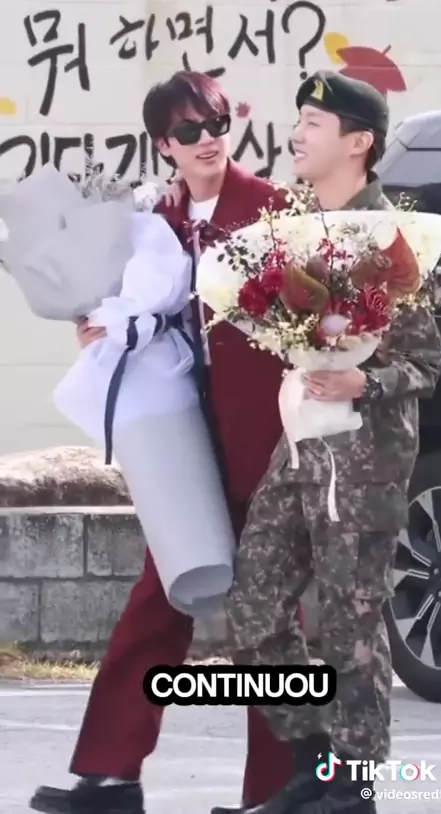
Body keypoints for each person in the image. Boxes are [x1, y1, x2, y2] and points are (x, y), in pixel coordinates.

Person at [29, 71, 300, 814]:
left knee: (271, 616)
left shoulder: (275, 211)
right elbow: (123, 304)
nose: (206, 138)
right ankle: (109, 774)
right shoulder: (152, 218)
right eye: (187, 130)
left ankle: (277, 791)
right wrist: (99, 324)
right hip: (181, 441)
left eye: (215, 122)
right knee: (159, 596)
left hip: (268, 439)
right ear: (164, 144)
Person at [213, 71, 441, 814]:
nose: (298, 134)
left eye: (314, 123)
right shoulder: (297, 226)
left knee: (351, 621)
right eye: (300, 121)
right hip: (302, 442)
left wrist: (362, 381)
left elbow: (425, 364)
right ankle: (313, 762)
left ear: (358, 142)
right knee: (252, 609)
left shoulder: (392, 239)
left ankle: (354, 786)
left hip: (367, 455)